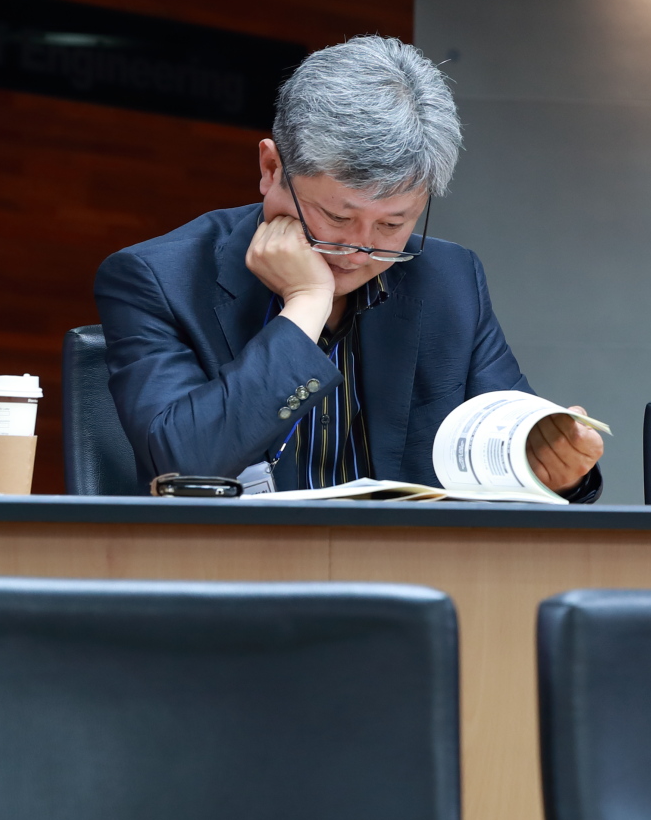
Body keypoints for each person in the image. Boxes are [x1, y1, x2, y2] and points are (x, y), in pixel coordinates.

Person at [95, 36, 603, 499]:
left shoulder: (450, 281)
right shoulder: (158, 279)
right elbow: (183, 465)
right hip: (236, 563)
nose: (359, 250)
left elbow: (511, 447)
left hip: (405, 564)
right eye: (337, 218)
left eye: (393, 224)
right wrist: (306, 304)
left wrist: (553, 469)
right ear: (271, 169)